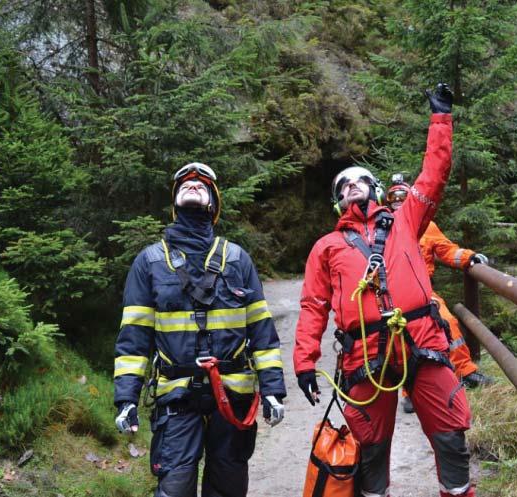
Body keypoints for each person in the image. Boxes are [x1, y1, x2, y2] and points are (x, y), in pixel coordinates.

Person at [294, 84, 476, 497]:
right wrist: (305, 362)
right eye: (343, 187)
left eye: (359, 181)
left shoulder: (407, 219)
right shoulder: (327, 247)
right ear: (338, 203)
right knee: (371, 452)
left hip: (423, 342)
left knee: (451, 438)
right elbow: (313, 306)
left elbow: (434, 173)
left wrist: (441, 117)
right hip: (364, 355)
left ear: (375, 191)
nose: (350, 187)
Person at [113, 163, 286, 497]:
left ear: (213, 204)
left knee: (229, 487)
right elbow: (134, 341)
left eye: (201, 185)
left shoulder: (237, 259)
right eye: (185, 185)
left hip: (232, 397)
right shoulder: (149, 262)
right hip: (177, 397)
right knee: (174, 487)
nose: (192, 185)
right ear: (174, 202)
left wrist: (273, 389)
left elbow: (262, 332)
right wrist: (126, 398)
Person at [386, 177, 493, 414]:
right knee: (401, 338)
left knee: (448, 322)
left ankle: (466, 372)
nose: (398, 203)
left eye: (403, 198)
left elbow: (447, 250)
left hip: (424, 290)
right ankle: (409, 391)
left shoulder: (427, 226)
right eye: (393, 198)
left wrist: (469, 258)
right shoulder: (383, 226)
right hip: (392, 294)